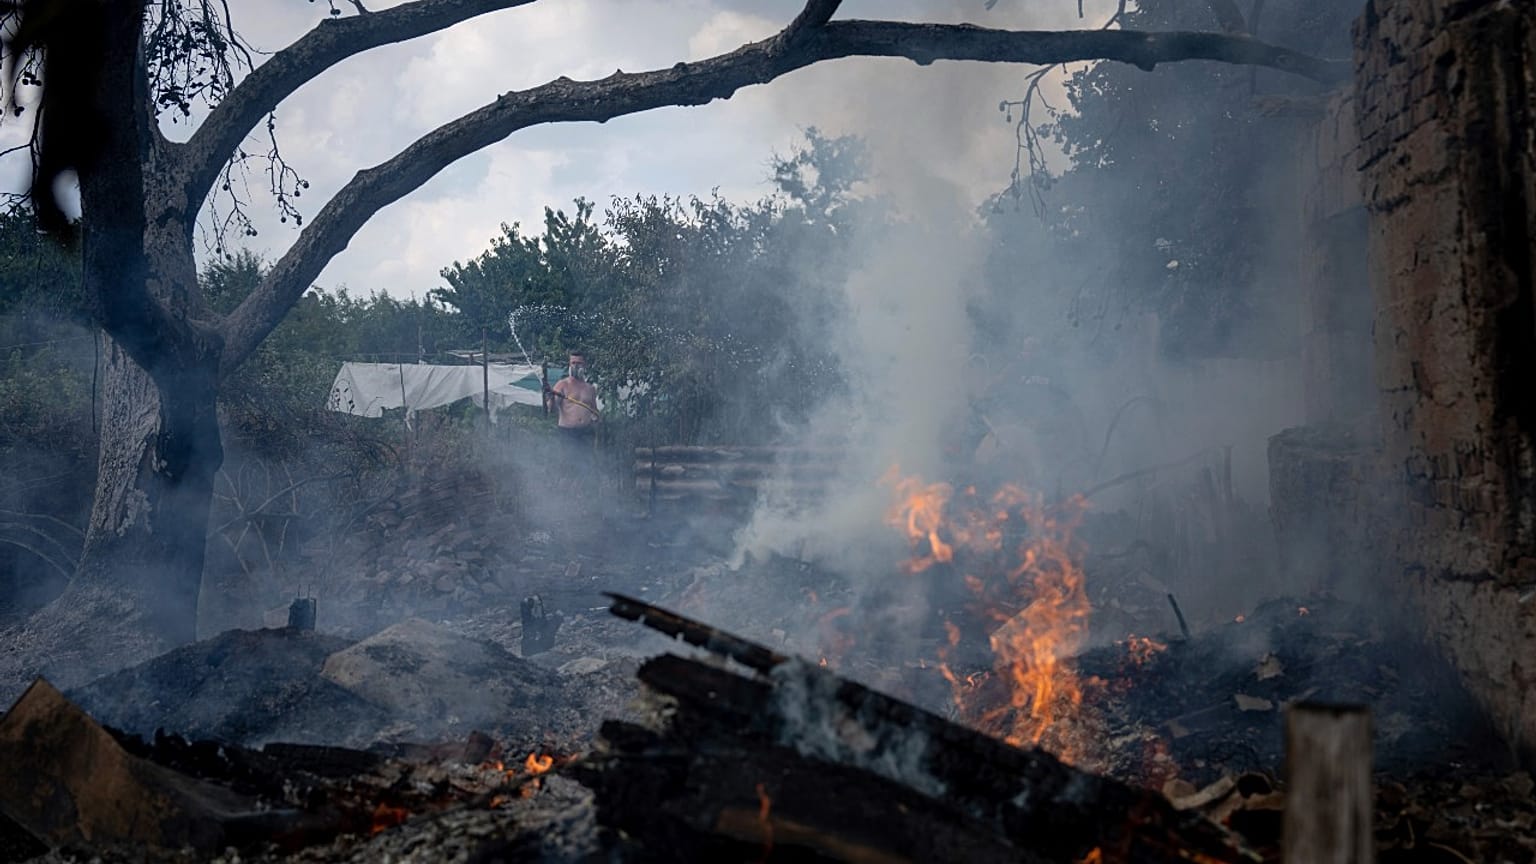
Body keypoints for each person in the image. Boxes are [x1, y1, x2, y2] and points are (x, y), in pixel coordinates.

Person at [544, 352, 601, 467]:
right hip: (568, 433)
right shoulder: (562, 385)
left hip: (586, 433)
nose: (576, 366)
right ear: (569, 365)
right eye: (573, 363)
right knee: (569, 467)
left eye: (579, 363)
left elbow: (594, 411)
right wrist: (551, 398)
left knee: (587, 467)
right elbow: (552, 410)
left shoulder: (590, 389)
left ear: (584, 365)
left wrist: (596, 420)